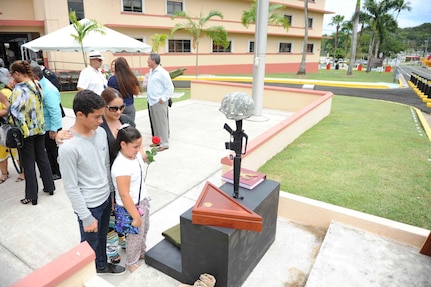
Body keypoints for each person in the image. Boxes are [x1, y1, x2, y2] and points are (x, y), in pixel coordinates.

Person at [57, 90, 126, 275]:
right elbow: (71, 186)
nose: (101, 121)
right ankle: (86, 276)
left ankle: (101, 265)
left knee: (102, 237)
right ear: (80, 114)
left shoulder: (101, 133)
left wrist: (111, 195)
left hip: (104, 200)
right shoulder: (68, 148)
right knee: (88, 245)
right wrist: (86, 217)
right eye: (96, 117)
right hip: (89, 206)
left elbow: (105, 166)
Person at [8, 60, 55, 205]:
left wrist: (6, 100)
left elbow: (14, 111)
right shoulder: (37, 84)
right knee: (42, 157)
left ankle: (32, 195)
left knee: (28, 163)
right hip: (40, 127)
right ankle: (49, 186)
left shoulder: (19, 89)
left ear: (17, 73)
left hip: (25, 130)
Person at [111, 125, 150, 273]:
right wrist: (135, 216)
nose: (138, 149)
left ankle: (141, 252)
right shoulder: (121, 165)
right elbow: (124, 194)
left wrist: (139, 147)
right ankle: (131, 262)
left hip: (142, 200)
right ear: (123, 144)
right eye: (135, 146)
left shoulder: (134, 155)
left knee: (144, 230)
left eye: (140, 145)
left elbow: (143, 156)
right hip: (130, 206)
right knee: (134, 236)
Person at [31, 65, 63, 180]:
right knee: (48, 151)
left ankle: (57, 172)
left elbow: (55, 111)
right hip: (46, 125)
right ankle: (51, 170)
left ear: (35, 76)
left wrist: (54, 129)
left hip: (51, 126)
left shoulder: (48, 89)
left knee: (53, 151)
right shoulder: (40, 86)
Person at [146, 53, 174, 152]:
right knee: (155, 123)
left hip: (159, 102)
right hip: (152, 101)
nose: (147, 61)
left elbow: (170, 87)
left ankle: (164, 143)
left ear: (153, 60)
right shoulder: (151, 72)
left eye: (149, 59)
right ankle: (157, 141)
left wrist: (164, 98)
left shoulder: (162, 72)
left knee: (162, 123)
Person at [0, 77, 24, 183]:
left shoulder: (6, 92)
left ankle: (22, 172)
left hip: (9, 126)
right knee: (1, 152)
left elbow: (10, 109)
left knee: (16, 149)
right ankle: (4, 173)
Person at [108, 57, 140, 121]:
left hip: (117, 107)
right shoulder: (132, 78)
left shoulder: (112, 79)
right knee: (129, 128)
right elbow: (137, 91)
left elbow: (110, 94)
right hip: (129, 106)